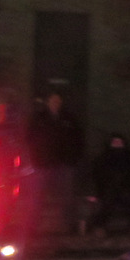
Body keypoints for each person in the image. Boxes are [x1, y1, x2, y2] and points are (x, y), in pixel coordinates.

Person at [25, 91, 84, 234]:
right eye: (53, 101)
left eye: (58, 101)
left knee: (67, 196)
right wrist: (35, 156)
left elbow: (77, 139)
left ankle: (69, 226)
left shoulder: (68, 118)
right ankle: (31, 227)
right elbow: (30, 138)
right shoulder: (39, 118)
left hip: (64, 162)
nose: (56, 103)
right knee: (36, 196)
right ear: (48, 102)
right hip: (43, 162)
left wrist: (73, 157)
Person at [88, 133, 130, 234]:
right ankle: (99, 226)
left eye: (119, 142)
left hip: (128, 187)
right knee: (107, 203)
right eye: (115, 141)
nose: (117, 144)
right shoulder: (103, 157)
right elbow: (97, 174)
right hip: (108, 188)